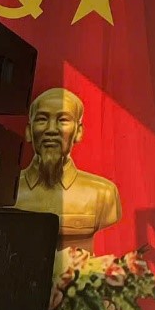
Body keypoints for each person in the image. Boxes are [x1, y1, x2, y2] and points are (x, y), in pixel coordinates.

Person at [14, 87, 122, 252]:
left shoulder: (103, 195)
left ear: (78, 132)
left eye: (63, 120)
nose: (51, 129)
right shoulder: (5, 191)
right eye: (42, 119)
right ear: (29, 131)